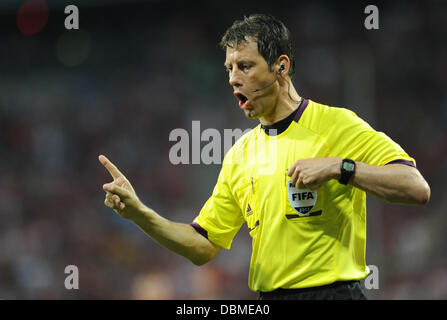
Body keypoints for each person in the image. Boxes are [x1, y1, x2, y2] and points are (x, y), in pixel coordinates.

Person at [99, 14, 431, 300]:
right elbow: (203, 245)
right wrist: (141, 214)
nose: (232, 78)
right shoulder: (240, 155)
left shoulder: (336, 125)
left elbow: (416, 188)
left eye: (245, 66)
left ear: (280, 67)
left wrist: (339, 167)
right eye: (229, 68)